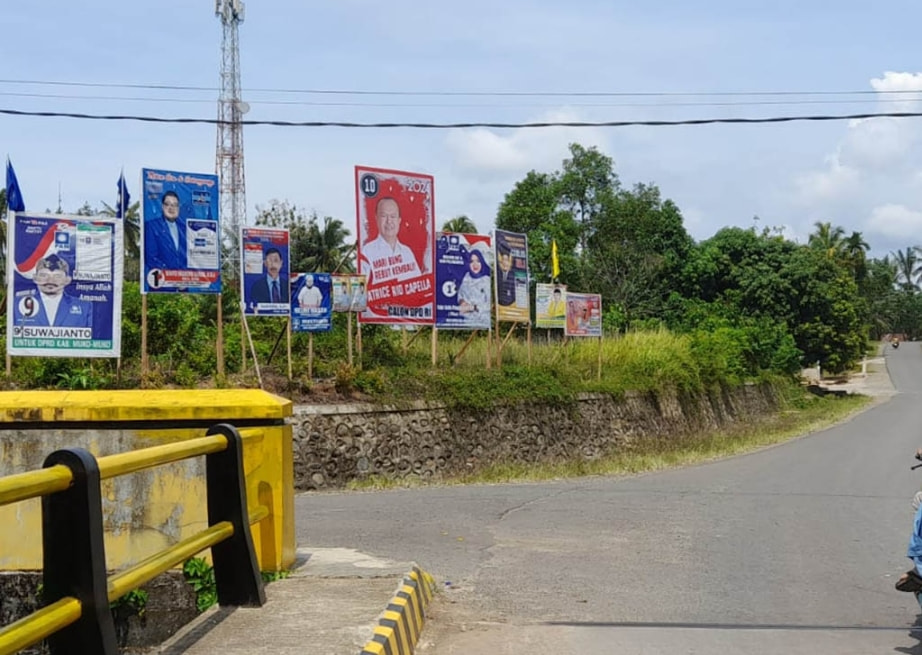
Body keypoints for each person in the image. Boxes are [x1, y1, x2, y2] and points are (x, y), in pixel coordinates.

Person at [14, 255, 92, 328]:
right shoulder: (17, 304)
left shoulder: (84, 306)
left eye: (57, 276)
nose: (50, 280)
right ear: (35, 278)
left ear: (67, 280)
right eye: (44, 275)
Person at [361, 197, 421, 284]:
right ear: (376, 219)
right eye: (384, 216)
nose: (389, 221)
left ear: (399, 220)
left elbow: (419, 285)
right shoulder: (367, 251)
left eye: (393, 216)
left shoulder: (407, 252)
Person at [144, 191, 187, 271]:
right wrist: (169, 273)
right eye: (168, 204)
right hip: (162, 278)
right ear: (162, 207)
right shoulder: (152, 226)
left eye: (175, 205)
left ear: (178, 208)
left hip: (183, 279)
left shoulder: (184, 229)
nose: (171, 208)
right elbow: (150, 257)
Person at [457, 248, 491, 325]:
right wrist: (462, 301)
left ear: (482, 262)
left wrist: (473, 307)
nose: (475, 264)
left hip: (481, 322)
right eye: (472, 261)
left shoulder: (486, 280)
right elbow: (460, 293)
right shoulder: (466, 276)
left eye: (478, 261)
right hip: (465, 321)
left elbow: (489, 304)